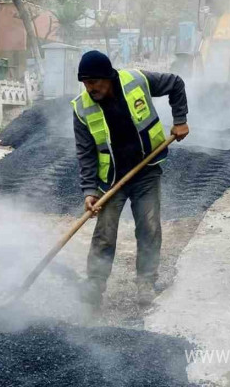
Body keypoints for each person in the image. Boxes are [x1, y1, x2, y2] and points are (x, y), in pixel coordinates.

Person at [73, 50, 190, 310]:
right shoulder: (82, 108)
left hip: (146, 170)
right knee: (104, 233)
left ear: (109, 77)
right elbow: (85, 152)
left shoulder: (136, 80)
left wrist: (180, 120)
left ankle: (146, 282)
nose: (90, 88)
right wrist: (89, 190)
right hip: (111, 181)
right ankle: (94, 286)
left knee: (149, 228)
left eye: (95, 82)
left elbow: (176, 83)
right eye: (85, 83)